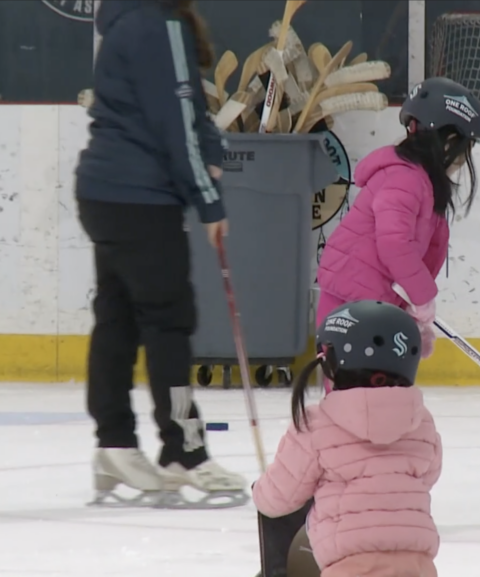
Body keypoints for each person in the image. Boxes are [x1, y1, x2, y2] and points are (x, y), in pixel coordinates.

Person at [75, 0, 246, 508]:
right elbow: (175, 124)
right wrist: (210, 202)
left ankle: (115, 442)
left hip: (105, 193)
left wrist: (211, 154)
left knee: (118, 317)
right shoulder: (160, 25)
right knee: (168, 321)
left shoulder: (128, 23)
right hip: (139, 198)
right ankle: (184, 452)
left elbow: (186, 113)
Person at [315, 77, 480, 391]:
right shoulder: (404, 179)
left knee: (379, 407)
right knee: (353, 405)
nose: (465, 159)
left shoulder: (422, 182)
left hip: (370, 307)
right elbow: (394, 244)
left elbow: (410, 256)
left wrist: (407, 311)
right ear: (447, 139)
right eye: (466, 147)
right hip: (351, 310)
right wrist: (422, 298)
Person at [252, 300, 442, 577]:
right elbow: (429, 475)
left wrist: (261, 489)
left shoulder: (317, 424)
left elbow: (277, 499)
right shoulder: (422, 421)